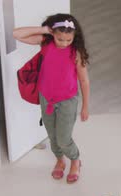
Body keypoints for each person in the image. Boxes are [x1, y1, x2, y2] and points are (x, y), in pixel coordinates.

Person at [13, 13, 90, 183]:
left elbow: (84, 81)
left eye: (68, 40)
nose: (64, 43)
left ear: (74, 37)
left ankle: (75, 159)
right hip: (46, 99)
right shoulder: (46, 43)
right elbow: (16, 34)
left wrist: (85, 106)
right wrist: (43, 30)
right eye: (60, 39)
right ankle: (60, 161)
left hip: (67, 102)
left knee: (63, 138)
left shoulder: (76, 53)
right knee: (53, 136)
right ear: (52, 34)